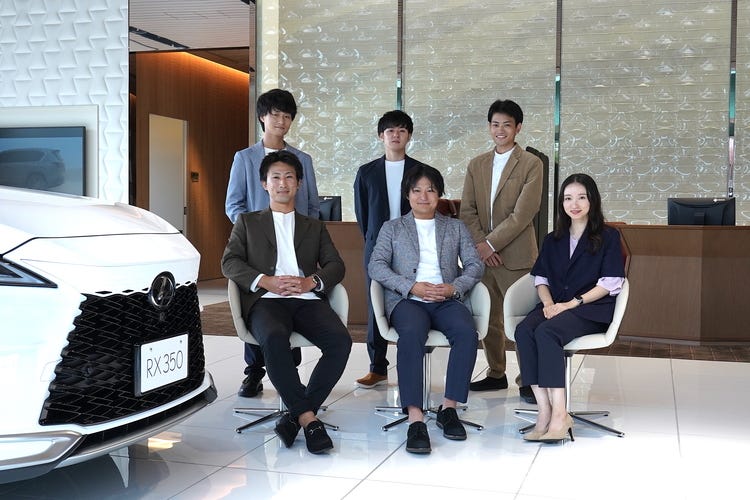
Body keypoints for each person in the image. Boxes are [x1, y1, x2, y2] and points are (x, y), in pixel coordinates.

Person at [221, 150, 352, 454]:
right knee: (274, 337)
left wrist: (310, 282)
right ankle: (308, 419)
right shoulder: (248, 222)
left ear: (299, 183)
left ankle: (296, 416)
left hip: (307, 300)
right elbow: (229, 262)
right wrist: (265, 280)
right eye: (276, 177)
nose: (283, 183)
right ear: (264, 184)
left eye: (289, 177)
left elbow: (336, 265)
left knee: (340, 342)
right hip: (266, 300)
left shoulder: (313, 225)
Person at [368, 165, 484, 454]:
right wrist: (411, 286)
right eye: (417, 190)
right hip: (408, 300)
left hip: (446, 299)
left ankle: (449, 408)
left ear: (439, 194)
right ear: (407, 195)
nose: (423, 196)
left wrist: (453, 287)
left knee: (467, 333)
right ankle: (415, 417)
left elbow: (474, 264)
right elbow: (376, 265)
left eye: (430, 190)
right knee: (411, 335)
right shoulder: (392, 228)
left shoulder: (455, 227)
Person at [514, 173, 624, 443]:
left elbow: (610, 283)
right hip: (556, 305)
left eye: (581, 197)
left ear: (592, 200)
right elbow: (540, 278)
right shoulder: (553, 239)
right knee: (524, 331)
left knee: (546, 332)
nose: (574, 204)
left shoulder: (608, 236)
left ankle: (560, 415)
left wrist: (571, 304)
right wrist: (549, 304)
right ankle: (544, 410)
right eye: (568, 198)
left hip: (589, 308)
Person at [225, 88, 319, 399]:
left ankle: (290, 374)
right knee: (257, 306)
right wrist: (253, 231)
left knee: (292, 301)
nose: (281, 121)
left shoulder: (302, 159)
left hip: (294, 247)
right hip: (256, 250)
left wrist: (303, 236)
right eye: (275, 114)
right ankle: (254, 373)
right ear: (262, 117)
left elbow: (312, 206)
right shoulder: (245, 158)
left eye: (287, 116)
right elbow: (233, 204)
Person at [459, 99, 543, 404]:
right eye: (495, 124)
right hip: (483, 256)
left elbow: (523, 214)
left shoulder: (531, 164)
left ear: (518, 128)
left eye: (507, 125)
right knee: (490, 317)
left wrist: (490, 244)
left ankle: (528, 379)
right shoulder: (477, 164)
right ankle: (496, 372)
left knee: (521, 319)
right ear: (489, 127)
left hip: (516, 256)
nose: (500, 130)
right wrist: (481, 246)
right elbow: (467, 210)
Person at [353, 110, 429, 389]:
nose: (395, 135)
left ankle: (414, 363)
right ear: (380, 136)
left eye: (401, 130)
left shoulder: (421, 171)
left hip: (415, 247)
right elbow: (362, 214)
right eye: (390, 131)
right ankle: (377, 367)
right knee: (376, 304)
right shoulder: (366, 172)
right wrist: (376, 240)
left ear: (409, 136)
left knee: (414, 302)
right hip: (378, 247)